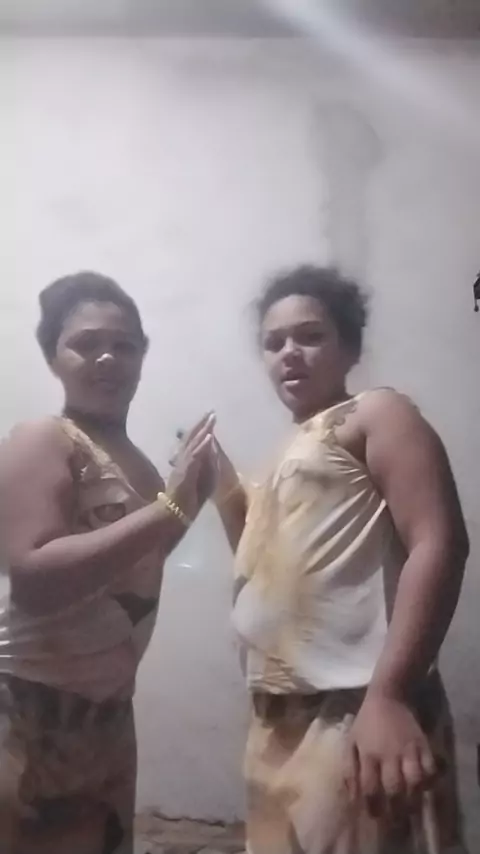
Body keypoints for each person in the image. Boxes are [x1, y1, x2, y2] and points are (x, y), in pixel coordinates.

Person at [208, 265, 469, 854]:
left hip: (355, 711)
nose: (289, 353)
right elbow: (265, 572)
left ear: (349, 347)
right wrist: (223, 488)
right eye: (274, 343)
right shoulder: (284, 450)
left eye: (310, 336)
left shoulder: (378, 413)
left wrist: (389, 696)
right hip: (276, 721)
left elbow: (439, 542)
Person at [0, 271, 215, 854]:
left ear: (143, 355)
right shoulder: (44, 439)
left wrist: (189, 501)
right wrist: (169, 508)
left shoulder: (138, 463)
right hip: (32, 710)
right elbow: (34, 578)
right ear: (53, 358)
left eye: (124, 345)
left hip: (108, 715)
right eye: (85, 343)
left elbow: (133, 568)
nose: (107, 358)